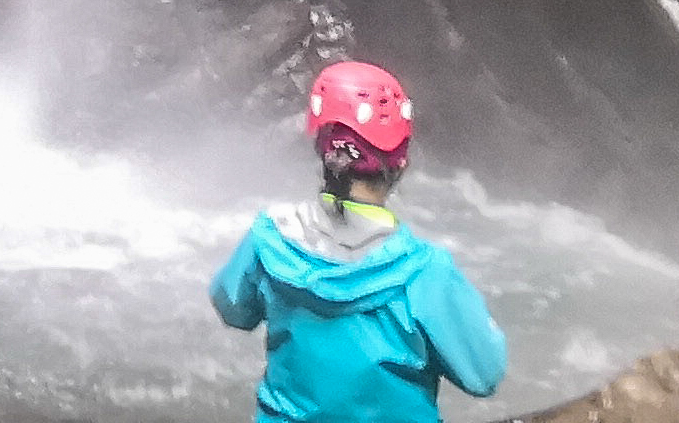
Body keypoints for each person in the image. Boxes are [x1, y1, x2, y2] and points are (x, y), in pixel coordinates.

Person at [211, 60, 510, 423]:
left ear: (322, 150)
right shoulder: (426, 272)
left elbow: (233, 309)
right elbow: (483, 375)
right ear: (400, 163)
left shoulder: (269, 238)